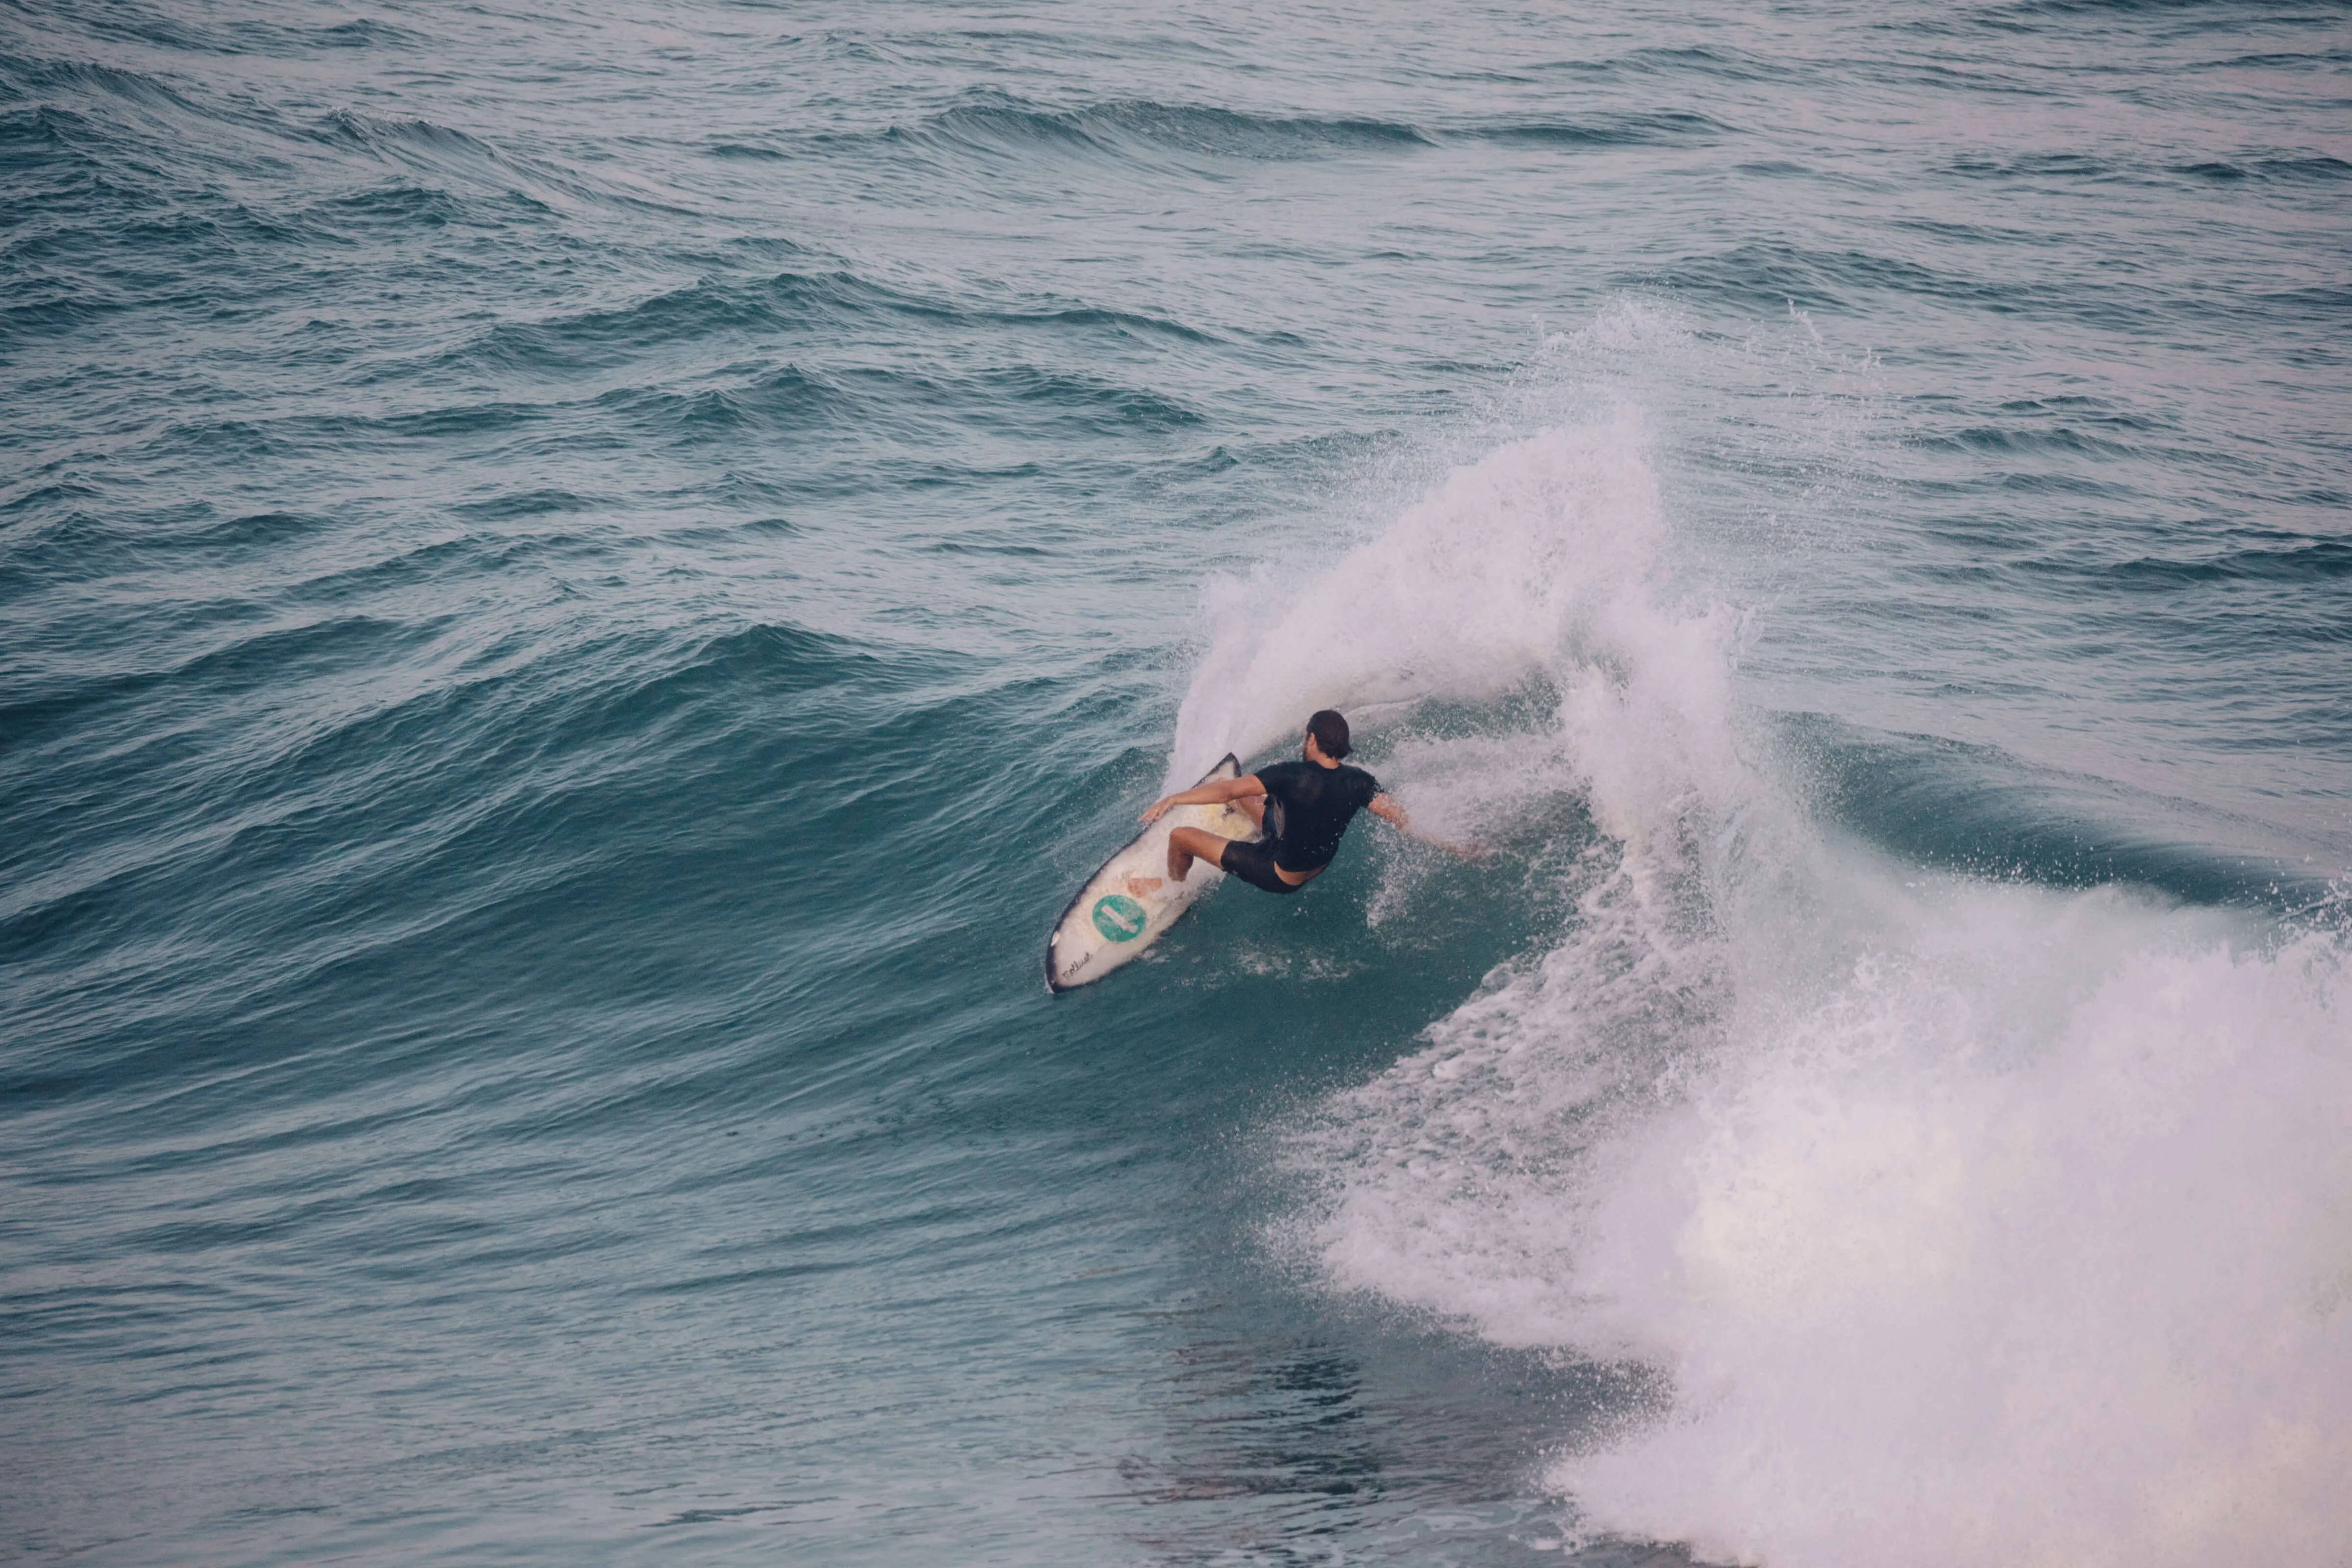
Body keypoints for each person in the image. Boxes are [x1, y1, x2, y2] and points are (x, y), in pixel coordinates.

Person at [1127, 709, 1478, 901]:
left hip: (1279, 873)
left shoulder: (1291, 774)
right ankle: (1250, 824)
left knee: (1181, 835)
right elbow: (1403, 819)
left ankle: (1171, 890)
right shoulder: (1360, 780)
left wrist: (1172, 799)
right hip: (1316, 864)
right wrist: (1456, 846)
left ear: (1312, 739)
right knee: (1256, 799)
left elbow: (1225, 792)